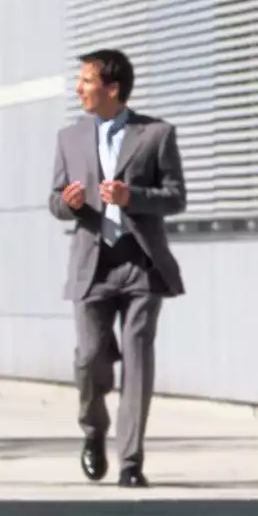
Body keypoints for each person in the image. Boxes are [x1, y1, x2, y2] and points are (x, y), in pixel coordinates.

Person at [50, 49, 185, 488]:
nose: (78, 88)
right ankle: (93, 431)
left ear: (112, 88)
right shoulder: (69, 138)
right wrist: (67, 203)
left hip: (142, 264)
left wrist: (133, 198)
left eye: (86, 81)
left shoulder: (156, 134)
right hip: (92, 265)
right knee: (90, 359)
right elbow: (55, 201)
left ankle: (130, 461)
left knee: (139, 360)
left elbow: (176, 197)